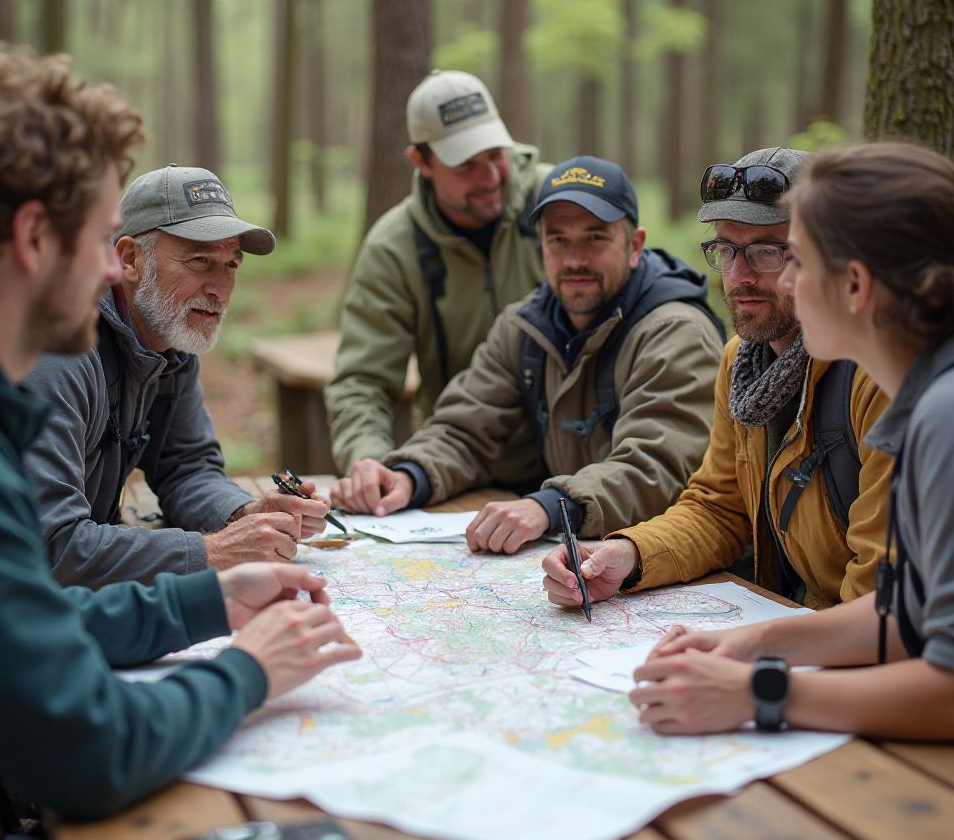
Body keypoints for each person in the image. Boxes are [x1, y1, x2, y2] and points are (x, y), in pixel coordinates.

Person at [0, 42, 361, 840]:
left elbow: (25, 623)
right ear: (33, 238)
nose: (105, 268)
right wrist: (247, 671)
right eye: (100, 238)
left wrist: (205, 598)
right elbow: (91, 751)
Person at [627, 142, 954, 739]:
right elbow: (903, 613)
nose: (779, 282)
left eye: (793, 258)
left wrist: (759, 691)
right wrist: (753, 643)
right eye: (726, 251)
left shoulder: (942, 414)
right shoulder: (926, 394)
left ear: (854, 285)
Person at [542, 147, 892, 609]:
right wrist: (629, 555)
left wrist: (771, 647)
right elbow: (720, 509)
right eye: (726, 250)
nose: (739, 276)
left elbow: (882, 604)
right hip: (795, 622)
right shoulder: (742, 362)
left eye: (767, 252)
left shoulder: (876, 375)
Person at [332, 156, 724, 553]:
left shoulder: (675, 332)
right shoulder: (525, 327)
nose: (574, 260)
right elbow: (464, 431)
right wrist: (410, 475)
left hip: (673, 559)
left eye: (595, 238)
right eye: (558, 240)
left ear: (634, 245)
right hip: (586, 556)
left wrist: (551, 507)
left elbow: (657, 468)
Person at [23, 163, 331, 588]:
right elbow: (49, 545)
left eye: (231, 264)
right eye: (200, 261)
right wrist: (213, 552)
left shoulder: (169, 339)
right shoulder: (60, 350)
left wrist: (244, 514)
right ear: (130, 259)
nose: (220, 289)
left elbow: (186, 468)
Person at [325, 69, 550, 486]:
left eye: (495, 154)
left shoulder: (557, 203)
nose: (490, 178)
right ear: (421, 161)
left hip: (577, 466)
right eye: (466, 165)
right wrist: (368, 459)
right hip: (462, 471)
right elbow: (363, 381)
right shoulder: (395, 247)